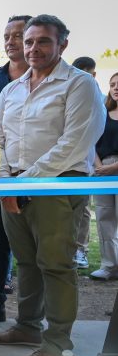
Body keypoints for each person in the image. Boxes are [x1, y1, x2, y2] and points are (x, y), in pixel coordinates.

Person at [0, 14, 105, 356]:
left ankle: (58, 344)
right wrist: (5, 182)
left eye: (42, 41)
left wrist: (24, 183)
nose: (33, 48)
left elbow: (74, 144)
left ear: (62, 45)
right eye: (29, 42)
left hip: (57, 186)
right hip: (14, 187)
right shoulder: (12, 89)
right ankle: (27, 326)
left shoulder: (79, 84)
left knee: (56, 265)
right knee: (26, 262)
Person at [0, 14, 32, 323]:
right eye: (7, 35)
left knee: (36, 254)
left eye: (19, 35)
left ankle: (33, 322)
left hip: (42, 179)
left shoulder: (67, 81)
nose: (11, 41)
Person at [72, 56, 101, 270]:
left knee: (83, 209)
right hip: (69, 162)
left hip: (87, 161)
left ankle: (80, 249)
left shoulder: (95, 93)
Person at [92, 72, 118, 281]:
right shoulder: (102, 112)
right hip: (101, 169)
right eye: (112, 84)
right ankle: (109, 266)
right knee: (104, 217)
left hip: (116, 167)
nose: (115, 87)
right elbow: (90, 140)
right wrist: (100, 166)